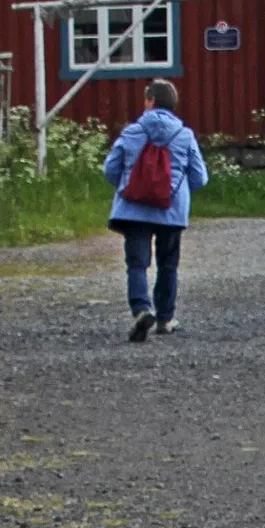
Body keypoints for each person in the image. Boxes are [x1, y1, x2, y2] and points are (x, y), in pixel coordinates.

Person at [103, 79, 208, 341]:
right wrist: (179, 190)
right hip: (171, 211)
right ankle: (165, 318)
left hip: (133, 209)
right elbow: (200, 177)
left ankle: (141, 309)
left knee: (137, 264)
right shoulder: (184, 135)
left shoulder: (131, 132)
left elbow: (110, 169)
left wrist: (129, 185)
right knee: (168, 265)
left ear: (150, 101)